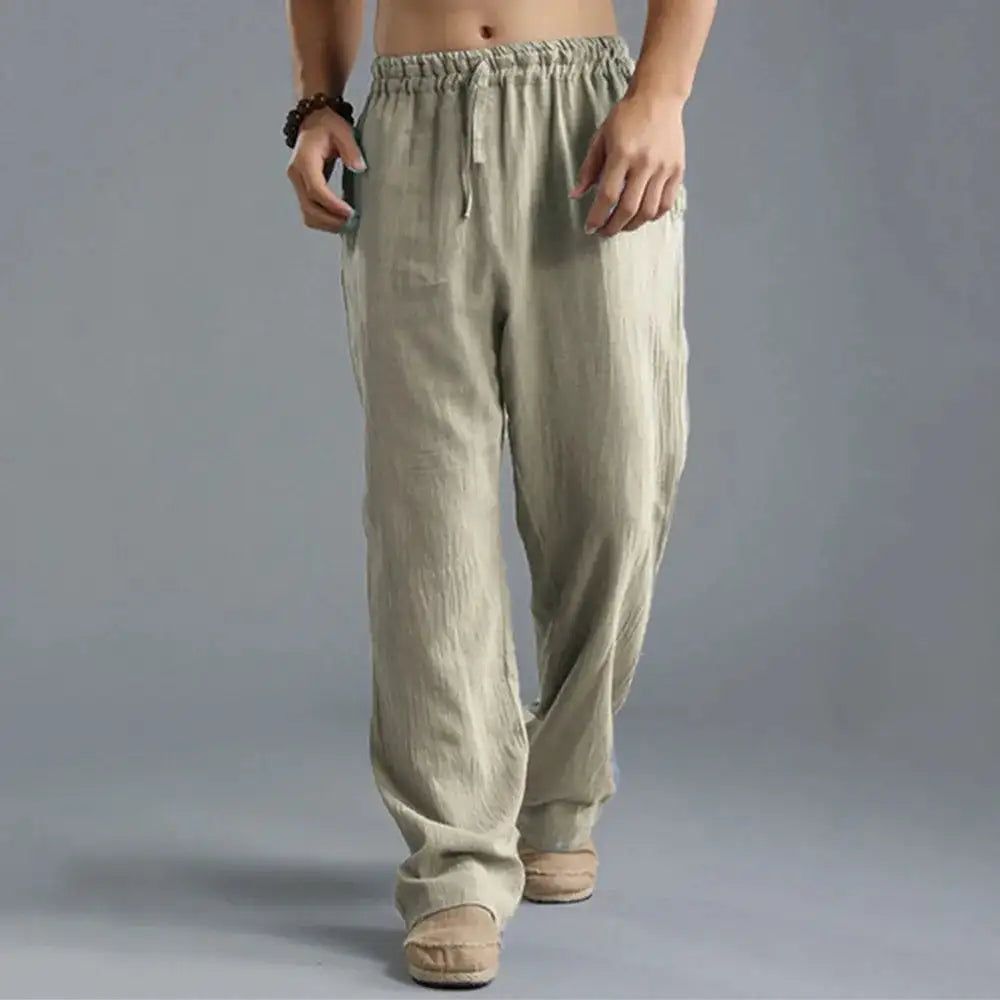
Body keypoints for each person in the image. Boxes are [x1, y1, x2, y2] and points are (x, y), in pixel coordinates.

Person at [283, 0, 716, 987]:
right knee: (425, 516)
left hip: (585, 121)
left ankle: (559, 787)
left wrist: (661, 92)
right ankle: (455, 862)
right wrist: (316, 101)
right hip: (410, 128)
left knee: (615, 492)